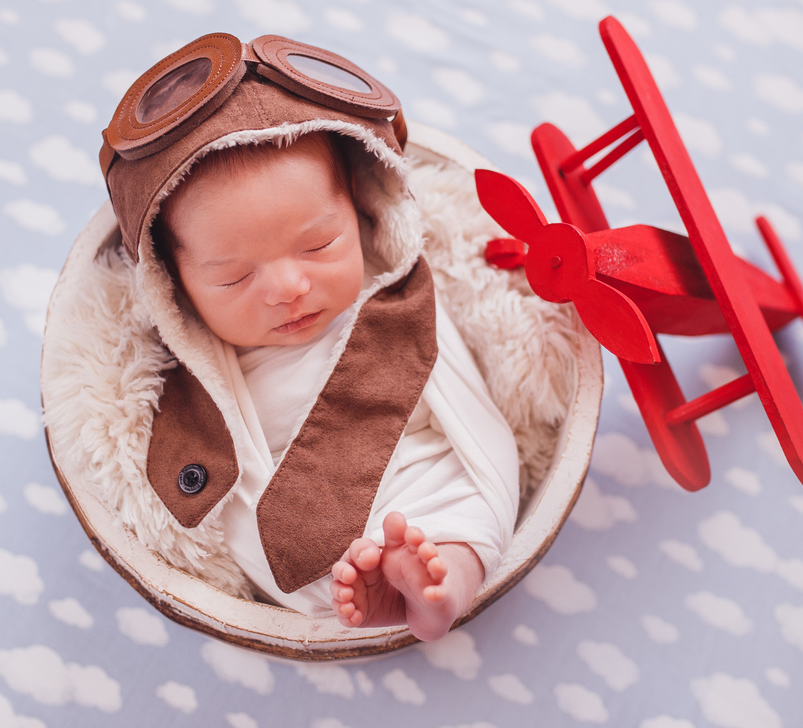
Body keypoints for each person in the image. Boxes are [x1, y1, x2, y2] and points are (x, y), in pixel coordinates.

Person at [100, 33, 520, 641]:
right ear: (175, 288)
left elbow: (467, 406)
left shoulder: (392, 293)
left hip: (423, 465)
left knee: (467, 502)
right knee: (293, 547)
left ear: (363, 210)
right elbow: (216, 482)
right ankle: (372, 587)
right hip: (299, 520)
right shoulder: (200, 363)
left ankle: (440, 582)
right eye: (235, 277)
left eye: (320, 245)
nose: (288, 287)